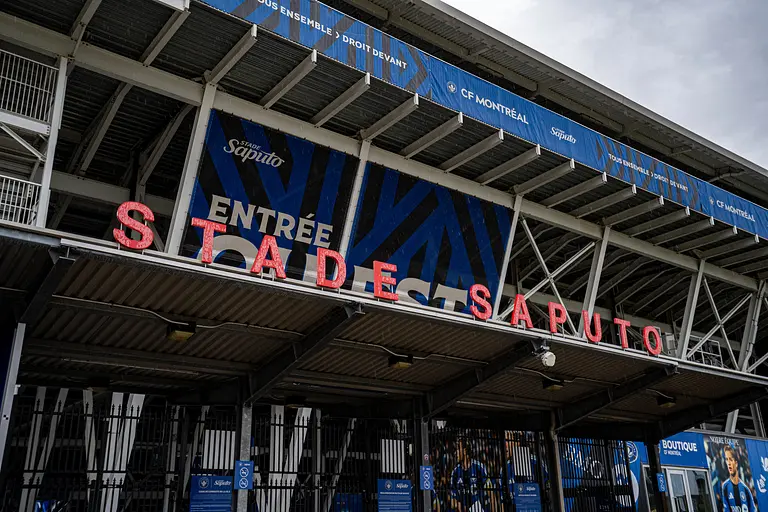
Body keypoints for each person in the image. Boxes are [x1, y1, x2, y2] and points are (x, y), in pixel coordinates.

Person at [449, 437, 500, 511]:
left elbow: (491, 494)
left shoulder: (479, 468)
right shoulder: (455, 473)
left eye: (458, 449)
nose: (455, 452)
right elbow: (455, 501)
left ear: (465, 451)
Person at [721, 445, 757, 512]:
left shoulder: (745, 489)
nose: (728, 463)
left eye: (731, 459)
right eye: (726, 459)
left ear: (736, 463)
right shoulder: (725, 487)